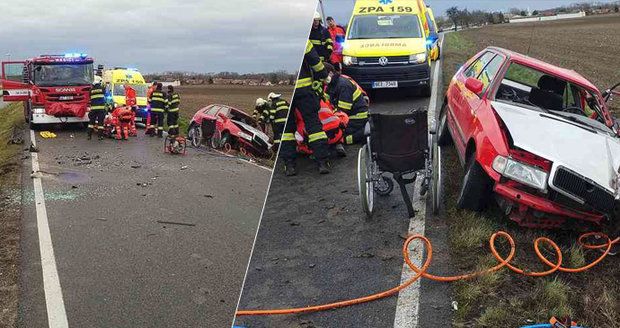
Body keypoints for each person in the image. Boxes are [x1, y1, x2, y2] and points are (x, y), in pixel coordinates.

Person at [280, 40, 331, 176]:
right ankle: (322, 162)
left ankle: (289, 165)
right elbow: (315, 61)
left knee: (286, 131)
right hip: (304, 90)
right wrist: (325, 76)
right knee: (314, 126)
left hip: (284, 92)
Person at [325, 63, 368, 145]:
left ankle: (366, 132)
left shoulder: (343, 85)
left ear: (330, 73)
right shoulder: (331, 84)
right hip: (349, 115)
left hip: (357, 117)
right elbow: (327, 103)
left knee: (338, 136)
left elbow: (343, 111)